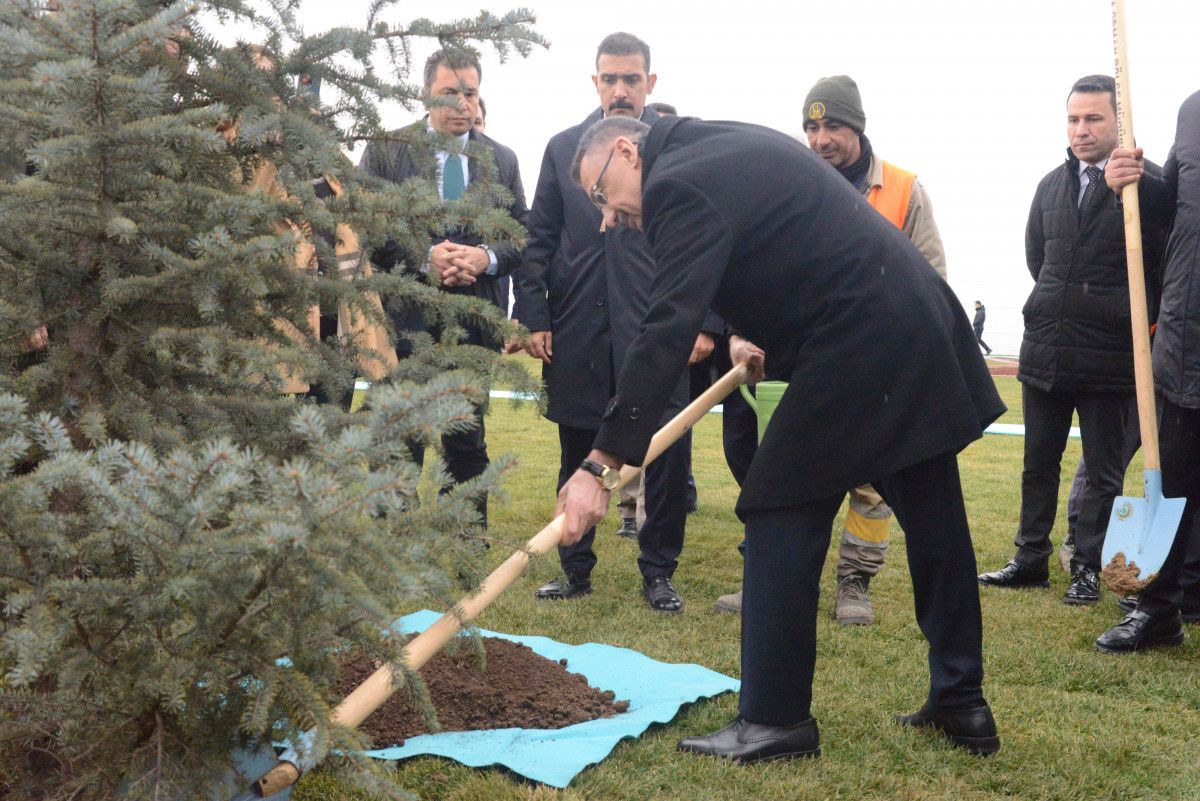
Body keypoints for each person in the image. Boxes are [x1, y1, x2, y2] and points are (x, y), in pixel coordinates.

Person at [561, 114, 1005, 761]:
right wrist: (763, 333)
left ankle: (774, 719)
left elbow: (667, 326)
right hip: (908, 316)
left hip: (862, 336)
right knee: (934, 515)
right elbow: (782, 249)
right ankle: (962, 702)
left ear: (627, 150)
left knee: (776, 508)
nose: (607, 215)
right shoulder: (714, 148)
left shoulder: (676, 183)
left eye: (602, 193)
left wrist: (599, 463)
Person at [714, 75, 951, 626]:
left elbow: (930, 278)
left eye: (834, 126)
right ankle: (768, 577)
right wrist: (737, 333)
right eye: (812, 127)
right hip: (797, 365)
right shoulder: (781, 180)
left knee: (871, 481)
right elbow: (745, 267)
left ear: (859, 128)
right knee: (776, 475)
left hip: (872, 363)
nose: (821, 139)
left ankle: (855, 581)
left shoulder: (903, 189)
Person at [512, 33, 722, 613]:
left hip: (660, 330)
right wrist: (535, 314)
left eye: (632, 78)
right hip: (579, 329)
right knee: (578, 446)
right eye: (610, 78)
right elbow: (539, 239)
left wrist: (704, 322)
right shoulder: (560, 150)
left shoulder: (676, 151)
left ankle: (659, 572)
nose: (621, 89)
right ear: (595, 82)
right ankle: (574, 569)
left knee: (666, 455)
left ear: (651, 83)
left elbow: (711, 239)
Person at [978, 75, 1169, 606]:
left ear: (1118, 121)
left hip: (1111, 356)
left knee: (1104, 471)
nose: (1081, 130)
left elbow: (1165, 252)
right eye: (1073, 119)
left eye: (1093, 119)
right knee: (1038, 462)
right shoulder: (1049, 186)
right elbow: (1038, 259)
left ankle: (1087, 566)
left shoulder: (1145, 186)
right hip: (1047, 348)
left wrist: (1139, 189)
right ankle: (1029, 558)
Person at [359, 48, 528, 531]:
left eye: (470, 93)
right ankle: (389, 541)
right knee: (399, 436)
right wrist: (423, 257)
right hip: (403, 321)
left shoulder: (503, 158)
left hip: (475, 323)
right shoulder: (386, 152)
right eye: (449, 93)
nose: (462, 104)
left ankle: (467, 540)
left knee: (467, 440)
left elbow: (522, 233)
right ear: (425, 93)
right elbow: (364, 227)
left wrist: (485, 257)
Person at [1096, 89, 1200, 651]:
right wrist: (1136, 181)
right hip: (1190, 333)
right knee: (1175, 477)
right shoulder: (1194, 111)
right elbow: (1175, 209)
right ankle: (1160, 610)